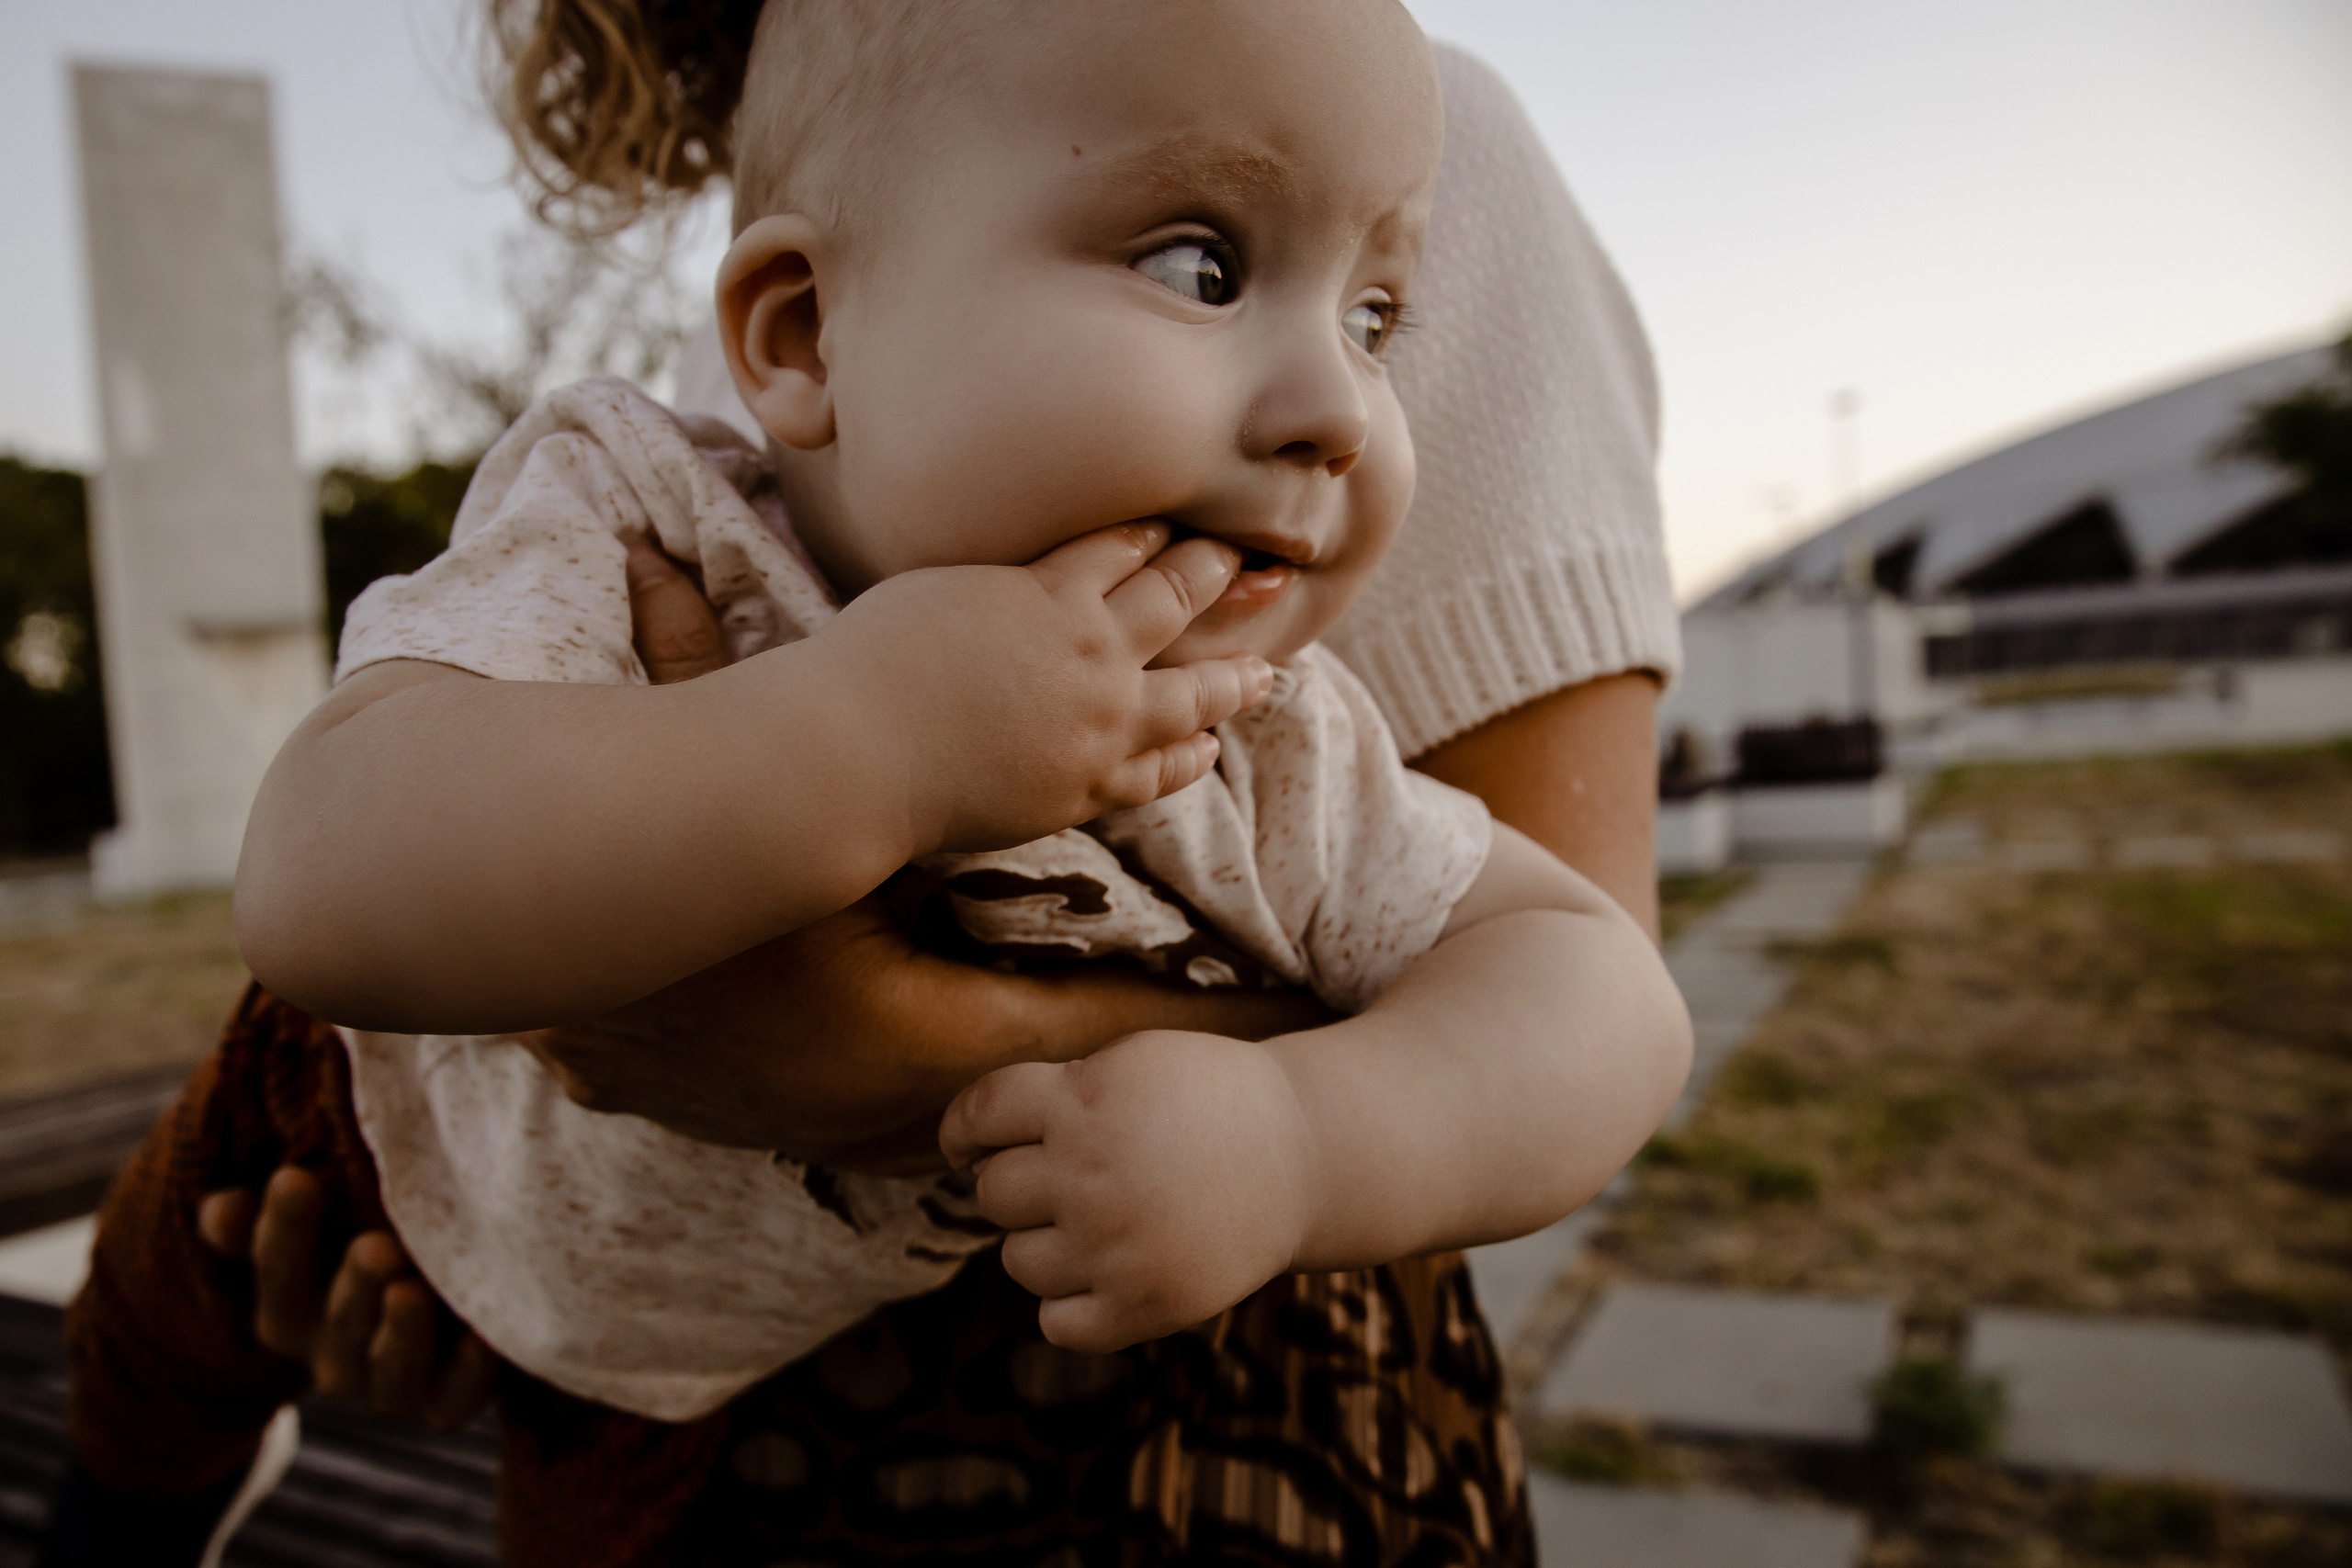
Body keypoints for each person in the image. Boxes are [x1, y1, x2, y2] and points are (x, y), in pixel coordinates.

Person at [54, 4, 1688, 1564]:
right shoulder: (649, 518)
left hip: (704, 1374)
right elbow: (317, 877)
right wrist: (868, 739)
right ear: (803, 335)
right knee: (152, 1314)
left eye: (1376, 318)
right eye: (1200, 267)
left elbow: (1599, 991)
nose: (1340, 408)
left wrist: (1304, 1138)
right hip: (385, 1136)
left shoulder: (1259, 743)